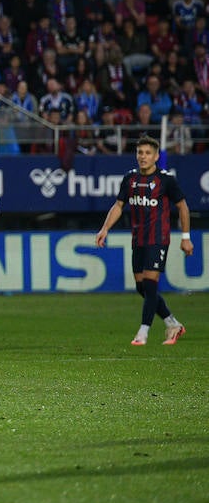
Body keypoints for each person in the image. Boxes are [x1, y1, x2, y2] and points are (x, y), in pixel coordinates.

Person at [95, 136, 192, 346]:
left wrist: (186, 237)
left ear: (156, 156)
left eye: (148, 153)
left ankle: (143, 332)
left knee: (149, 285)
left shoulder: (166, 180)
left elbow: (182, 206)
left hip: (158, 239)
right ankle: (172, 323)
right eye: (140, 153)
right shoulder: (130, 178)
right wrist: (104, 229)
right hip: (138, 239)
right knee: (142, 288)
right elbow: (119, 205)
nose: (143, 157)